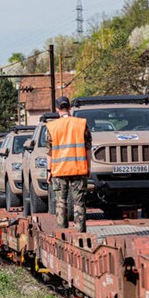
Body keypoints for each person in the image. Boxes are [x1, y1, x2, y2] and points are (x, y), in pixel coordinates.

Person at [46, 96, 92, 233]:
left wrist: (49, 171)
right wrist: (88, 167)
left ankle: (62, 233)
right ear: (70, 108)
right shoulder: (81, 124)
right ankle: (80, 232)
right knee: (79, 202)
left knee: (61, 202)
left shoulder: (51, 127)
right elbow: (88, 148)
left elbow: (49, 152)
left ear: (57, 109)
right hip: (78, 169)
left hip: (59, 171)